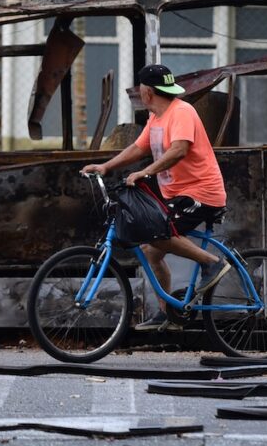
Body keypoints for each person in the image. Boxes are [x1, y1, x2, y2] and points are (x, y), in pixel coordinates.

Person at [81, 63, 230, 331]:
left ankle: (212, 263)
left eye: (140, 88)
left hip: (201, 194)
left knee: (154, 232)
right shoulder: (156, 117)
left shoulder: (181, 112)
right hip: (178, 195)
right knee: (151, 251)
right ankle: (168, 313)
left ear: (146, 91)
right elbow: (139, 147)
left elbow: (179, 150)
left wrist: (145, 172)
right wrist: (106, 167)